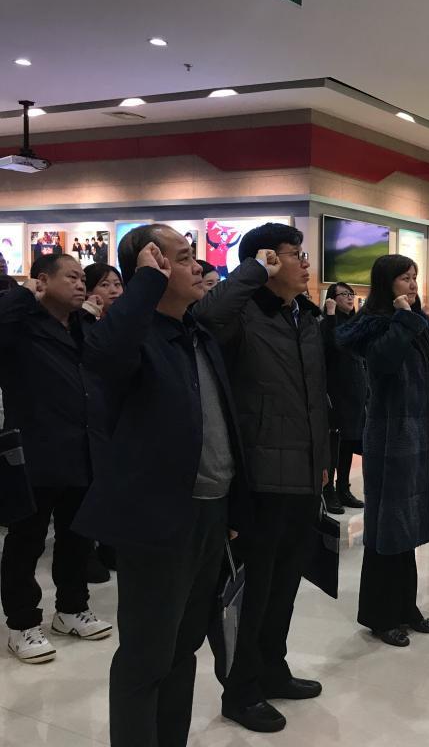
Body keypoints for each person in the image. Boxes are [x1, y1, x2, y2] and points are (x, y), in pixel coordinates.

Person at [73, 225, 252, 747]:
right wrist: (145, 282)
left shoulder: (195, 333)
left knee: (183, 647)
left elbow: (221, 425)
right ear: (152, 268)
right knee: (147, 654)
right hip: (157, 521)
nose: (197, 266)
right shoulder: (133, 337)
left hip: (210, 513)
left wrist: (233, 509)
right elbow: (104, 356)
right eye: (183, 257)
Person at [193, 222, 328, 733]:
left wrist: (323, 461)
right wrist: (251, 271)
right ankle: (241, 690)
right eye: (294, 254)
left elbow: (315, 398)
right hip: (262, 477)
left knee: (285, 585)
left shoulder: (304, 316)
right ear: (267, 260)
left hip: (304, 472)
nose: (305, 262)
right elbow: (205, 316)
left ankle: (273, 668)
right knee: (252, 592)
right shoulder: (242, 315)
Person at [0, 254, 112, 664]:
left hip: (82, 448)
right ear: (43, 281)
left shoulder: (83, 326)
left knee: (76, 537)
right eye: (72, 277)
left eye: (83, 278)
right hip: (35, 451)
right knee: (26, 541)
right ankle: (22, 624)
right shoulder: (20, 326)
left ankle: (71, 609)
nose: (82, 284)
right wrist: (24, 295)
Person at [336, 254, 429, 648]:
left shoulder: (415, 322)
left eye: (415, 277)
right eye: (404, 278)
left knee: (409, 525)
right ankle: (380, 615)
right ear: (387, 284)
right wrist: (403, 319)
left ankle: (406, 606)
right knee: (387, 526)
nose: (412, 284)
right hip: (391, 439)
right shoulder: (377, 324)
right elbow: (384, 362)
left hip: (419, 436)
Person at [79, 263, 126, 584]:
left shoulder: (126, 321)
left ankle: (110, 544)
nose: (114, 291)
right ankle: (87, 552)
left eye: (117, 284)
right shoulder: (81, 323)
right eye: (105, 284)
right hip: (92, 414)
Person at [321, 282, 367, 514]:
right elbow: (328, 347)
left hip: (355, 394)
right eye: (344, 294)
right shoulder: (328, 323)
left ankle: (343, 488)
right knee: (334, 445)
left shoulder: (355, 324)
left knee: (348, 442)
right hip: (336, 393)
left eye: (351, 294)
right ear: (332, 298)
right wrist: (330, 315)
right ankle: (328, 490)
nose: (350, 298)